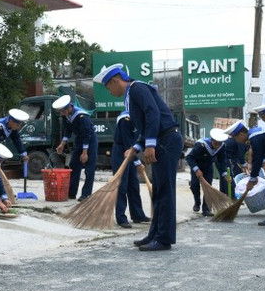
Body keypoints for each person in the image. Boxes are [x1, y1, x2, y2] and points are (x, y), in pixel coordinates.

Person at [94, 63, 183, 251]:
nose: (109, 92)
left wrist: (150, 143)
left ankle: (164, 239)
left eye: (108, 87)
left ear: (115, 80)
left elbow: (153, 113)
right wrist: (137, 146)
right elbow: (144, 124)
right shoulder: (131, 94)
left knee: (165, 191)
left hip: (166, 140)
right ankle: (154, 234)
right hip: (161, 140)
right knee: (158, 191)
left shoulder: (137, 88)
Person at [53, 94, 98, 201]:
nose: (62, 114)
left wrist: (85, 152)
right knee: (73, 165)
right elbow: (67, 131)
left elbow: (87, 134)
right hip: (79, 140)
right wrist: (62, 144)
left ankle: (86, 194)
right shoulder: (66, 116)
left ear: (69, 107)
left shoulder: (82, 116)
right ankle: (72, 193)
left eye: (63, 111)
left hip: (90, 141)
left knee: (89, 168)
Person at [112, 110, 150, 228]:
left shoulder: (138, 118)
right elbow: (127, 143)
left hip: (130, 152)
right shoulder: (126, 119)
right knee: (122, 186)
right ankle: (121, 217)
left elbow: (136, 141)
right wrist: (137, 162)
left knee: (133, 185)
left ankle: (138, 214)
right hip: (121, 152)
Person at [185, 128, 230, 217]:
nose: (217, 146)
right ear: (212, 140)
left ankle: (206, 209)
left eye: (219, 143)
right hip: (196, 165)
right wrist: (196, 170)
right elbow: (189, 157)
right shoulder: (201, 145)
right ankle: (197, 202)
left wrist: (224, 173)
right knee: (194, 185)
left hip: (208, 167)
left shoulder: (222, 147)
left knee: (208, 187)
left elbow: (221, 161)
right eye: (216, 143)